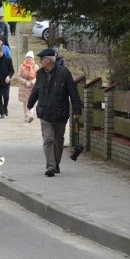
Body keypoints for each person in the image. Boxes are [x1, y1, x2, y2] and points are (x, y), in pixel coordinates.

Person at [27, 48, 82, 177]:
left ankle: (56, 164)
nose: (39, 61)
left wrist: (77, 109)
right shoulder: (40, 73)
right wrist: (30, 105)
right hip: (45, 113)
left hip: (60, 114)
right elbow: (36, 90)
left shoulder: (64, 73)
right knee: (48, 140)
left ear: (49, 60)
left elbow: (73, 92)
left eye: (42, 59)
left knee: (58, 141)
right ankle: (50, 167)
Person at [16, 51, 39, 122]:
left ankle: (30, 115)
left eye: (30, 57)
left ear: (32, 58)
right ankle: (26, 115)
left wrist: (33, 81)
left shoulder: (35, 66)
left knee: (31, 100)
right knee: (25, 102)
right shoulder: (21, 66)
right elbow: (18, 76)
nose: (28, 59)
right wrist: (25, 82)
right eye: (27, 57)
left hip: (32, 86)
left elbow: (39, 76)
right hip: (24, 86)